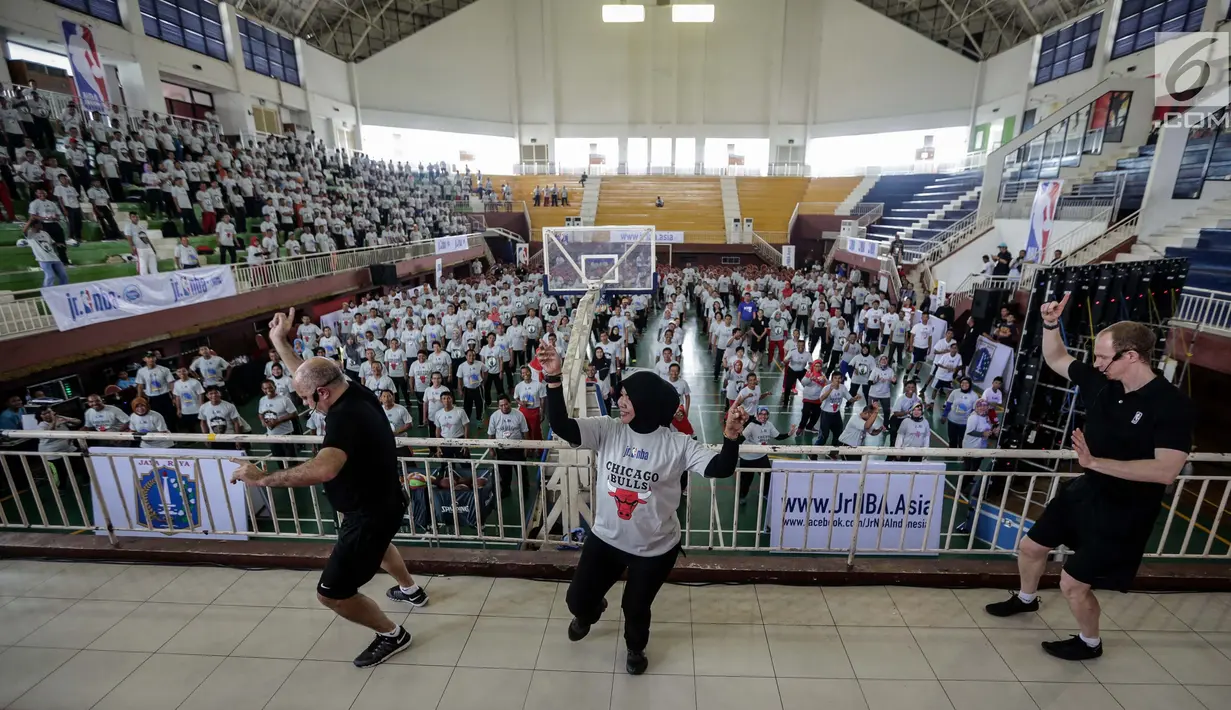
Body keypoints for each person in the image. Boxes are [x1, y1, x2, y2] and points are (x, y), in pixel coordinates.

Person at [985, 296, 1194, 662]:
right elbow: (1057, 359)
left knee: (1073, 584)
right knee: (1031, 547)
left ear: (1131, 356)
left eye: (1102, 357)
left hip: (1126, 509)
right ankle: (1026, 598)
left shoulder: (1170, 404)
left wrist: (1095, 462)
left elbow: (1165, 470)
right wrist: (1050, 324)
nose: (1096, 364)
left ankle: (1089, 643)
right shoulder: (1103, 383)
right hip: (1087, 490)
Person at [228, 307, 430, 669]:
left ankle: (391, 634)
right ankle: (410, 590)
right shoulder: (353, 388)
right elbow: (307, 375)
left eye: (307, 400)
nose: (307, 406)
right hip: (385, 499)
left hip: (366, 514)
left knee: (332, 593)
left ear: (322, 393)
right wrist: (279, 341)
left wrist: (262, 478)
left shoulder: (344, 419)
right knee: (382, 548)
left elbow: (323, 469)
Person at [539, 343, 746, 676]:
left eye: (627, 397)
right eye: (620, 396)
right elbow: (562, 425)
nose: (619, 401)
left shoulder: (677, 444)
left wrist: (732, 437)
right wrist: (553, 377)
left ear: (646, 403)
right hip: (606, 539)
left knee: (635, 608)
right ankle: (590, 611)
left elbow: (720, 467)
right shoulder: (608, 429)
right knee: (576, 600)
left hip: (653, 549)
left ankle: (635, 648)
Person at [488, 395, 529, 497]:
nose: (504, 407)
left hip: (517, 450)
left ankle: (525, 491)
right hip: (502, 450)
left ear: (510, 403)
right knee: (504, 473)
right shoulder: (494, 416)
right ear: (498, 406)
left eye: (506, 404)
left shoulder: (519, 415)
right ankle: (506, 490)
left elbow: (525, 432)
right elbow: (491, 434)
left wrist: (527, 447)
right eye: (501, 405)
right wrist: (491, 449)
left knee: (521, 472)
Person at [23, 217, 66, 286]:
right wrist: (30, 221)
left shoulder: (45, 233)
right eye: (39, 224)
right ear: (34, 225)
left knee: (63, 276)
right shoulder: (30, 234)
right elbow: (24, 231)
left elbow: (52, 242)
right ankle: (46, 292)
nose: (41, 225)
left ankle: (64, 290)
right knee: (50, 276)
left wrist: (58, 244)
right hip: (43, 259)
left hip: (54, 258)